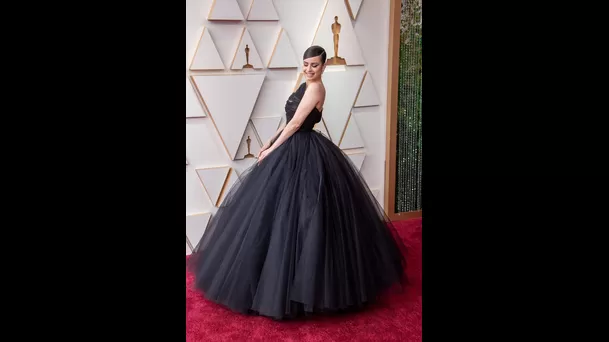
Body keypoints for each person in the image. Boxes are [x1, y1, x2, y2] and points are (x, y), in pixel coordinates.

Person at [187, 46, 407, 321]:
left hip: (306, 151)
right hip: (291, 148)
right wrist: (269, 140)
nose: (309, 69)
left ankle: (304, 289)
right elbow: (288, 121)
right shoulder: (305, 84)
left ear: (324, 66)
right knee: (275, 215)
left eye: (314, 65)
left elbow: (296, 125)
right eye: (306, 64)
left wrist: (271, 150)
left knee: (303, 217)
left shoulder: (316, 89)